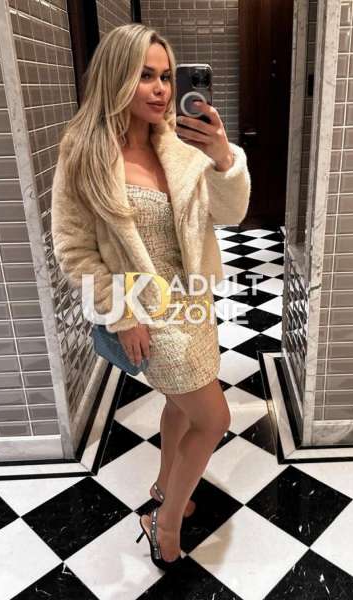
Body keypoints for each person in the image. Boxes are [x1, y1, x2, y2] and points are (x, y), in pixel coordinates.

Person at [51, 23, 251, 570]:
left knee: (180, 408)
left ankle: (166, 489)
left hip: (193, 302)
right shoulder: (85, 153)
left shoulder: (179, 144)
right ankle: (162, 522)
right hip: (146, 311)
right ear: (116, 76)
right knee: (213, 420)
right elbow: (74, 250)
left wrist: (222, 157)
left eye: (166, 76)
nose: (161, 89)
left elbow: (230, 213)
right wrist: (121, 314)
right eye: (145, 75)